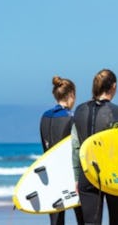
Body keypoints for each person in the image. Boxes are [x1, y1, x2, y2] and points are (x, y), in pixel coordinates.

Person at [71, 69, 118, 225]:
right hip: (114, 175)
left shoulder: (79, 110)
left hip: (88, 175)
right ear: (114, 86)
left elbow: (75, 147)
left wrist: (77, 177)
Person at [40, 76, 84, 225]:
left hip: (50, 176)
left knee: (56, 221)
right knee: (82, 218)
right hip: (71, 176)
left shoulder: (44, 117)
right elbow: (78, 149)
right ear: (71, 95)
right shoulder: (72, 118)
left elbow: (45, 148)